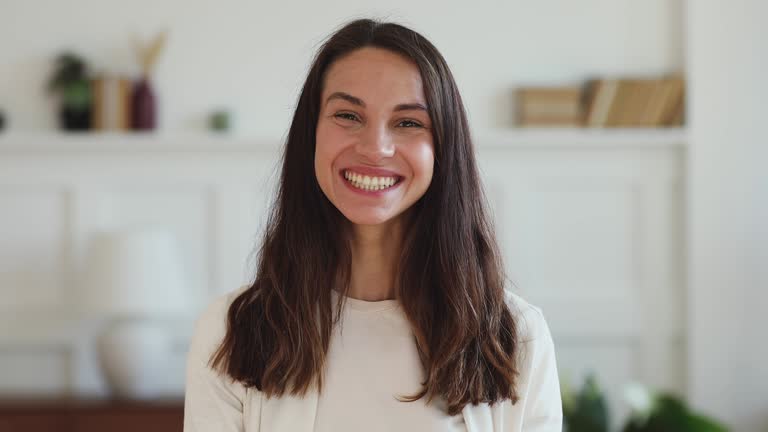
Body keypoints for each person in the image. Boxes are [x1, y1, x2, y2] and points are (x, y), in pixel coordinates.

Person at [184, 18, 562, 432]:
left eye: (408, 122)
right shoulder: (231, 332)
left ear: (443, 148)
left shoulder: (516, 336)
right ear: (310, 134)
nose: (375, 148)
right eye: (347, 115)